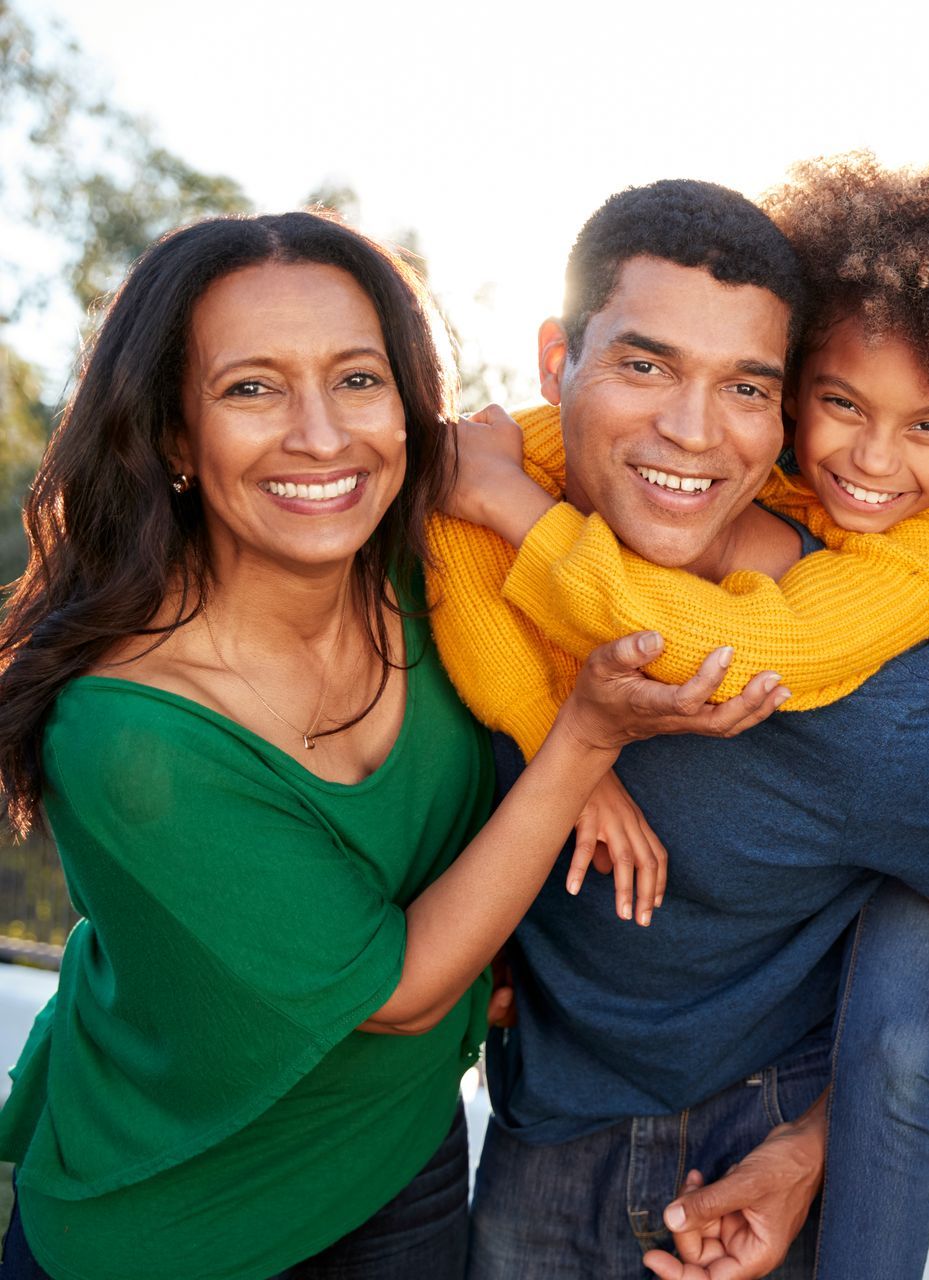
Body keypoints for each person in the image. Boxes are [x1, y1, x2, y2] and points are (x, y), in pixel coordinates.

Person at [0, 212, 714, 1280]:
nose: (323, 436)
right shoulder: (128, 733)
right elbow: (400, 991)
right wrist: (584, 744)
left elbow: (647, 442)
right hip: (179, 1219)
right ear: (173, 437)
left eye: (357, 379)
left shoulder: (429, 574)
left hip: (404, 1154)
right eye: (252, 388)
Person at [430, 156, 929, 1277]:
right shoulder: (488, 512)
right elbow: (451, 518)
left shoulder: (883, 686)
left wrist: (816, 1145)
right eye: (645, 363)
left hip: (750, 1141)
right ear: (554, 360)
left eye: (742, 386)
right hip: (533, 1127)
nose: (692, 428)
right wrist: (561, 748)